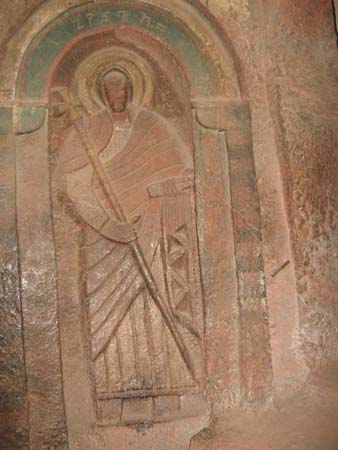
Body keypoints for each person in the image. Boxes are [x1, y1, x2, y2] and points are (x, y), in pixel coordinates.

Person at [57, 69, 203, 401]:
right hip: (104, 238)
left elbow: (182, 172)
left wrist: (164, 186)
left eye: (121, 85)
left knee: (156, 293)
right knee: (106, 307)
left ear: (133, 87)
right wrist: (107, 226)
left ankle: (173, 382)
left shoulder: (153, 126)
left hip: (150, 226)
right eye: (108, 87)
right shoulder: (87, 130)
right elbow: (72, 188)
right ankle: (108, 391)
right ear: (99, 91)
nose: (116, 92)